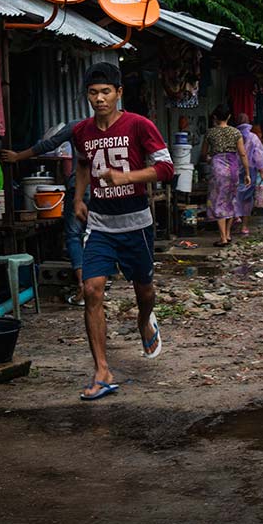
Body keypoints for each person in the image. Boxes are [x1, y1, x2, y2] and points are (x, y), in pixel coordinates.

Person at [72, 62, 174, 400]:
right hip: (100, 225)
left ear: (118, 93)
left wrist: (126, 177)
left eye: (105, 92)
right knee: (92, 289)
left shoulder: (139, 125)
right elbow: (84, 163)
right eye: (93, 93)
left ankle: (145, 321)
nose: (99, 99)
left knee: (144, 291)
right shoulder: (82, 131)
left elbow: (165, 168)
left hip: (136, 224)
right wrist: (78, 198)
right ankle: (102, 371)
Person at [0, 120, 86, 305]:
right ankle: (97, 284)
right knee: (99, 236)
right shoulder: (113, 127)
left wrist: (17, 157)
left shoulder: (78, 126)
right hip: (105, 188)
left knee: (73, 236)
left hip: (78, 187)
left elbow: (48, 145)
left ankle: (83, 285)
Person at [201, 104, 251, 247]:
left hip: (218, 168)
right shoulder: (236, 133)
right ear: (229, 117)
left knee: (218, 200)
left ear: (215, 117)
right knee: (231, 199)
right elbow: (242, 153)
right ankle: (228, 234)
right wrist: (247, 173)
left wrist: (211, 158)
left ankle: (223, 237)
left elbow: (204, 154)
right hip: (234, 167)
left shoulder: (210, 133)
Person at [232, 114, 263, 237]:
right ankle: (244, 227)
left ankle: (235, 216)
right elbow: (258, 156)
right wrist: (261, 172)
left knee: (234, 195)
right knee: (247, 198)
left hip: (234, 169)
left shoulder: (233, 136)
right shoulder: (253, 138)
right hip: (250, 171)